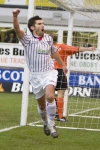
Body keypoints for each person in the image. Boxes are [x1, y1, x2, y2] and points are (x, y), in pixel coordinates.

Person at [12, 8, 68, 138]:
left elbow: (54, 52)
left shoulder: (48, 38)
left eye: (43, 23)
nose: (42, 25)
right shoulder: (27, 39)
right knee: (42, 105)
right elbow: (17, 29)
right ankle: (45, 122)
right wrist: (15, 16)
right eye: (39, 23)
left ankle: (52, 124)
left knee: (50, 96)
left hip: (49, 72)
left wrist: (63, 64)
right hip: (36, 76)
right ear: (32, 27)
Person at [52, 35, 96, 122]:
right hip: (60, 72)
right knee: (60, 94)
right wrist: (88, 49)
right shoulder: (61, 46)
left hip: (48, 72)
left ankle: (51, 113)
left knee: (50, 95)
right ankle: (60, 116)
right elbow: (76, 48)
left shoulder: (45, 48)